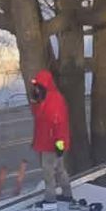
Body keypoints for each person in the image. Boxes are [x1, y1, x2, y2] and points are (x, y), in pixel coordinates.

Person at [28, 69, 74, 202]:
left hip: (51, 143)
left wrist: (59, 144)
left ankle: (50, 198)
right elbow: (39, 117)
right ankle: (67, 194)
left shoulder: (53, 100)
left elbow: (59, 123)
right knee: (59, 169)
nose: (36, 89)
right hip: (48, 141)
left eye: (38, 86)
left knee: (49, 172)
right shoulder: (44, 98)